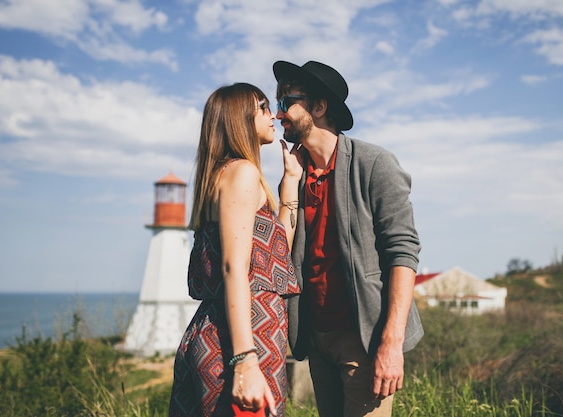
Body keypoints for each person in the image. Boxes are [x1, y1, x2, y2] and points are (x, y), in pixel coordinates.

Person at [273, 60, 424, 417]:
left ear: (319, 107)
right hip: (317, 339)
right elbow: (277, 253)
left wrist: (391, 343)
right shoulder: (296, 173)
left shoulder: (375, 164)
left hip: (365, 340)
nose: (279, 114)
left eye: (286, 102)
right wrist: (289, 185)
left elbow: (402, 253)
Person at [168, 82, 303, 417]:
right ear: (238, 118)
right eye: (262, 107)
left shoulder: (227, 175)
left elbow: (272, 259)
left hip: (231, 331)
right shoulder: (241, 173)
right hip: (243, 336)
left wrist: (289, 183)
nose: (273, 114)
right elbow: (234, 269)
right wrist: (245, 359)